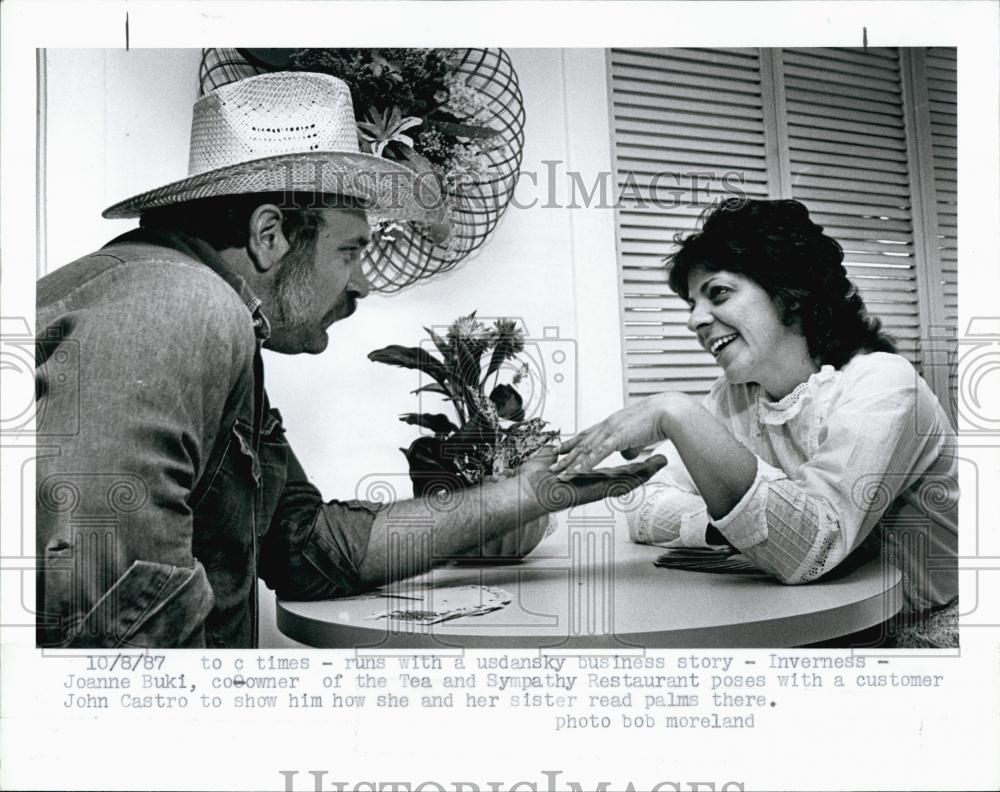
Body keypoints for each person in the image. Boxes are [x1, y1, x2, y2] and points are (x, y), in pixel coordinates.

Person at [35, 71, 665, 649]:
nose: (363, 283)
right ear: (269, 234)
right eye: (350, 250)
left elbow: (304, 548)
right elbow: (109, 612)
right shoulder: (182, 304)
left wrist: (527, 493)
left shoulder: (204, 315)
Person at [551, 198, 958, 647]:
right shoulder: (736, 398)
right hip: (814, 623)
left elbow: (810, 549)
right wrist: (724, 524)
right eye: (692, 302)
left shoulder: (883, 384)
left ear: (788, 291)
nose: (694, 320)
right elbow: (640, 507)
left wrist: (677, 412)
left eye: (718, 293)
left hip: (925, 633)